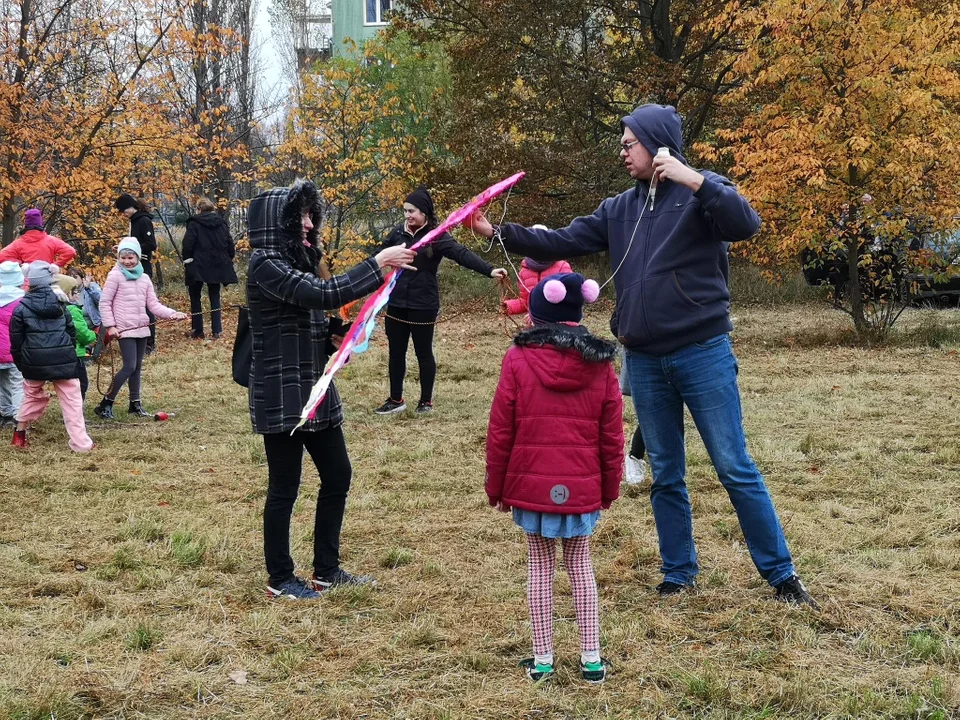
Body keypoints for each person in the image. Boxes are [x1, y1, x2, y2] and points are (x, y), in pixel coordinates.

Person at [467, 103, 816, 606]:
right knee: (665, 472)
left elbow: (745, 224)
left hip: (703, 353)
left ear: (656, 144)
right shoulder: (619, 209)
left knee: (734, 466)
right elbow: (561, 238)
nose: (623, 151)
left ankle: (781, 575)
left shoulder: (701, 192)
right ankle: (679, 573)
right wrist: (495, 232)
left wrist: (695, 180)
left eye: (630, 143)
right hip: (646, 361)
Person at [246, 179, 416, 601]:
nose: (307, 223)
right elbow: (322, 294)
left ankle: (326, 570)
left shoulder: (301, 259)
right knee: (284, 487)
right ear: (277, 223)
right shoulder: (265, 263)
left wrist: (333, 339)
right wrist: (377, 263)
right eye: (299, 216)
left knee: (338, 475)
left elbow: (310, 316)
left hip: (314, 385)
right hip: (281, 392)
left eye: (309, 215)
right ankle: (280, 578)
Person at [486, 273, 623, 684]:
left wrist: (496, 486)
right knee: (580, 565)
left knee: (540, 567)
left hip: (530, 487)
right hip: (581, 486)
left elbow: (500, 429)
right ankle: (592, 660)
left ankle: (543, 660)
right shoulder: (600, 364)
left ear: (538, 315)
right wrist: (609, 488)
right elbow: (612, 435)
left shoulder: (517, 358)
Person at [373, 186, 508, 415]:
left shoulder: (437, 236)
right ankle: (396, 400)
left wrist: (490, 270)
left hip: (423, 304)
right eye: (405, 211)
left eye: (412, 211)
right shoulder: (397, 233)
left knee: (423, 352)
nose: (408, 216)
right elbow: (377, 259)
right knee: (396, 353)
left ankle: (426, 402)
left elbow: (461, 254)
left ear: (425, 212)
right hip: (395, 303)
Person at [93, 238, 187, 420]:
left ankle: (135, 404)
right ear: (118, 258)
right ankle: (106, 403)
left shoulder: (144, 278)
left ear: (137, 257)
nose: (127, 261)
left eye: (131, 257)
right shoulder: (115, 276)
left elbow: (154, 305)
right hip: (124, 329)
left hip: (142, 328)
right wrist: (111, 326)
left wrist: (172, 314)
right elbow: (104, 303)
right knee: (129, 366)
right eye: (123, 257)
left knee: (137, 368)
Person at [9, 261, 93, 451]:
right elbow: (71, 333)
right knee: (72, 401)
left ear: (29, 282)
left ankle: (19, 435)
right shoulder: (62, 305)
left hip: (34, 360)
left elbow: (17, 341)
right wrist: (68, 352)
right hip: (64, 358)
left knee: (30, 395)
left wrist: (23, 364)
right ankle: (81, 444)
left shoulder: (20, 308)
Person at [182, 197, 237, 340]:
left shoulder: (194, 223)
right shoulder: (222, 223)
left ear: (199, 209)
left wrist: (187, 260)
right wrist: (227, 258)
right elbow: (229, 243)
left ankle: (198, 330)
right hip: (217, 265)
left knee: (195, 297)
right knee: (214, 296)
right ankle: (217, 331)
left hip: (198, 264)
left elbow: (188, 244)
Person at [114, 194, 158, 353]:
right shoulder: (134, 221)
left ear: (131, 207)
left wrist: (132, 249)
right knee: (135, 304)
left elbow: (150, 244)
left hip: (143, 267)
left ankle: (150, 342)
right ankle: (138, 338)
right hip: (133, 267)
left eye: (123, 210)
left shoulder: (143, 220)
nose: (123, 214)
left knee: (146, 305)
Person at [611, 310, 646, 485]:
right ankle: (635, 455)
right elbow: (616, 320)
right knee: (651, 412)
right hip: (646, 351)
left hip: (689, 348)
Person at [502, 239, 573, 326]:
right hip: (536, 327)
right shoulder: (524, 272)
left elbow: (570, 297)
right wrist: (509, 306)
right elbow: (526, 301)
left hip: (561, 324)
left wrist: (538, 315)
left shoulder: (562, 267)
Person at [54, 275, 97, 401]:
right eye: (75, 292)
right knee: (81, 384)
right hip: (76, 354)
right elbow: (81, 332)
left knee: (67, 385)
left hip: (61, 354)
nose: (78, 294)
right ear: (67, 293)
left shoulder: (56, 308)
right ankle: (77, 412)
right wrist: (93, 336)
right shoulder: (72, 310)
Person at [0, 208, 76, 268]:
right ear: (40, 223)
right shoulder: (51, 240)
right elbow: (71, 251)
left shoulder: (18, 244)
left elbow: (1, 257)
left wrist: (19, 264)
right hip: (46, 279)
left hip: (26, 281)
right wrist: (55, 265)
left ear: (26, 225)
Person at [0, 261, 25, 428]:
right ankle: (19, 417)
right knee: (18, 384)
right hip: (16, 350)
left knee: (2, 384)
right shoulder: (23, 301)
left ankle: (5, 414)